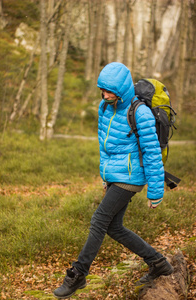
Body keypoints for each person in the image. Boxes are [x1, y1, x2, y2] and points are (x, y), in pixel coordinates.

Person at [53, 62, 173, 299]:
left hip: (131, 175)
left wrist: (156, 191)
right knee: (114, 228)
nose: (105, 95)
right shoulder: (105, 107)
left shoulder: (139, 112)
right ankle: (158, 263)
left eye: (110, 91)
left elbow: (152, 152)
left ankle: (78, 274)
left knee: (98, 220)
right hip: (116, 175)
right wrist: (106, 176)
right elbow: (105, 146)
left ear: (122, 89)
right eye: (103, 90)